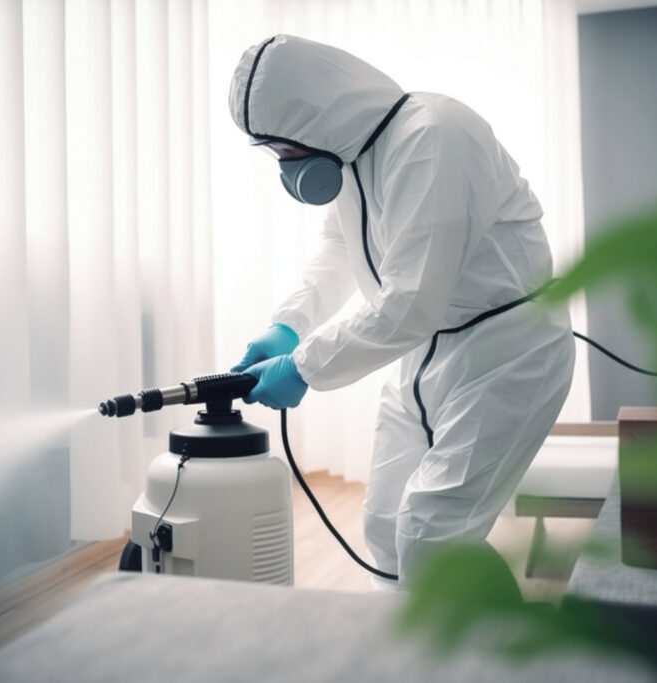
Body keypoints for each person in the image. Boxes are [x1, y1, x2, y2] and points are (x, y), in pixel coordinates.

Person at [228, 35, 574, 588]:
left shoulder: (434, 137)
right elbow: (340, 251)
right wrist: (288, 327)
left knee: (432, 534)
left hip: (507, 352)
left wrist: (305, 367)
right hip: (425, 354)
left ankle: (479, 659)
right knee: (387, 524)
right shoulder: (353, 156)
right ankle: (400, 655)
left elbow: (411, 302)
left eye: (282, 148)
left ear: (316, 118)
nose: (284, 164)